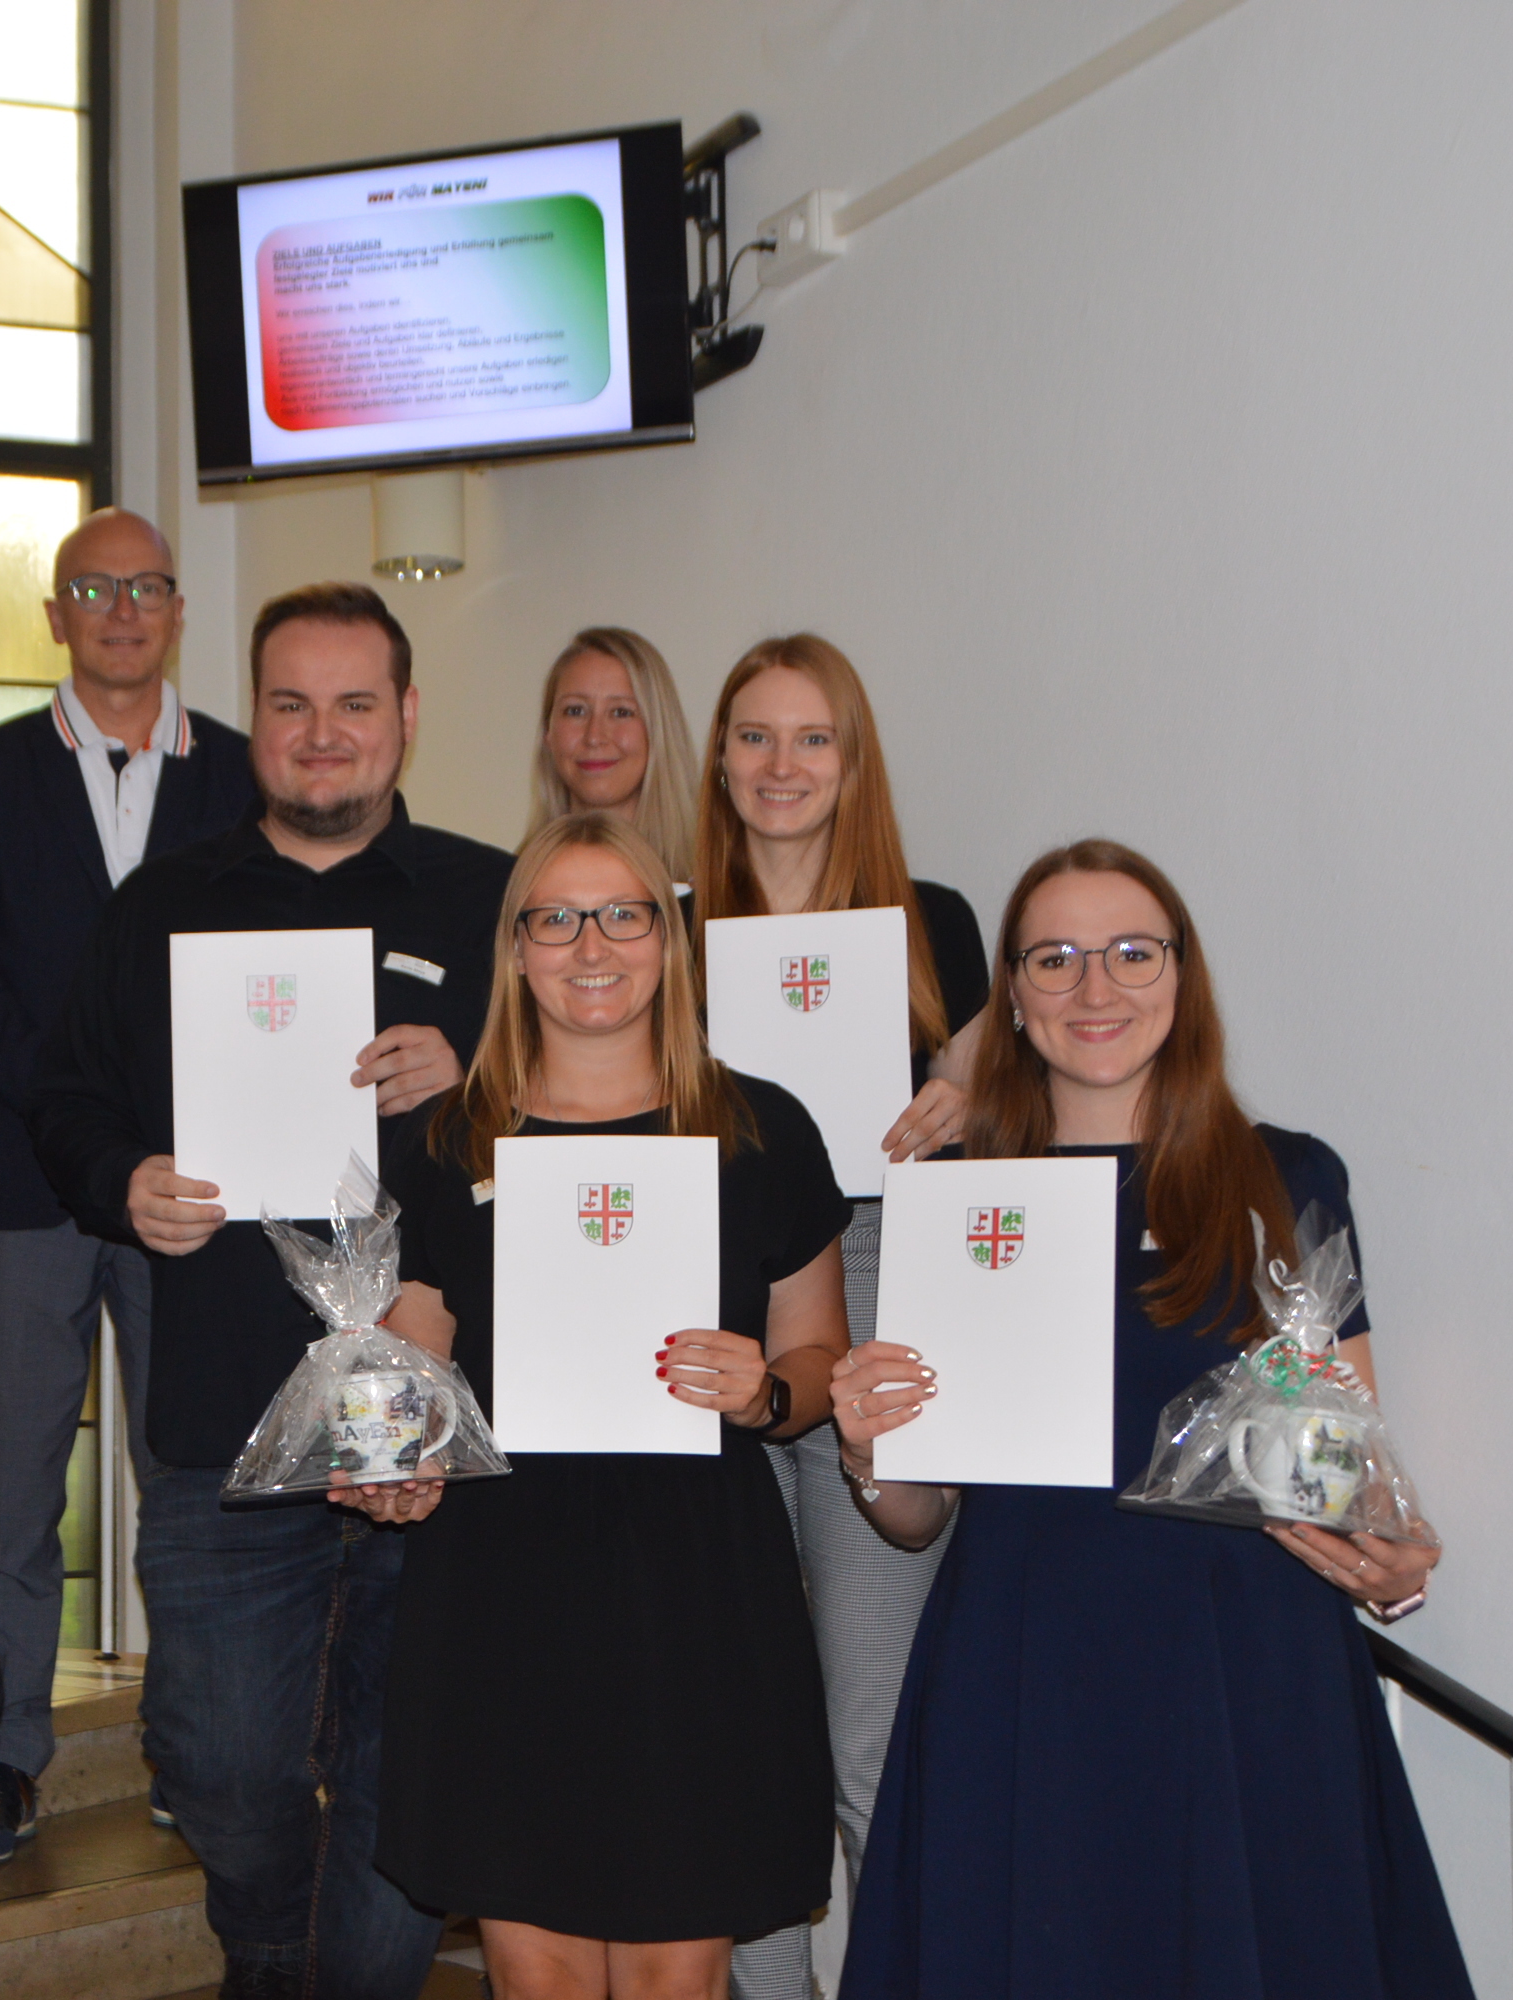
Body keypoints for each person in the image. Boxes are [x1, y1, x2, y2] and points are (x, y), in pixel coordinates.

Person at [831, 839, 1468, 1999]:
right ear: (1011, 996)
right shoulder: (960, 1194)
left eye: (1132, 951)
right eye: (1054, 957)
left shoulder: (1286, 1175)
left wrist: (1390, 1561)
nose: (1095, 986)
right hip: (1022, 1668)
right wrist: (870, 1453)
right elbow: (917, 1516)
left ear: (1180, 974)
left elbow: (1348, 1459)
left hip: (1246, 1673)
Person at [28, 582, 511, 2000]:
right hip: (223, 1418)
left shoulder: (493, 900)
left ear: (407, 715)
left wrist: (480, 1073)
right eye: (291, 704)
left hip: (437, 1421)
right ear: (255, 721)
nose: (321, 733)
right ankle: (272, 1954)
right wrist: (122, 1178)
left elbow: (600, 1108)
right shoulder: (161, 906)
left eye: (354, 703)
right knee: (216, 1760)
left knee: (403, 1773)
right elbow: (63, 1097)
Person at [350, 812, 849, 2000]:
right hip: (501, 1574)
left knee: (678, 1968)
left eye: (623, 914)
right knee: (537, 1972)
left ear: (667, 943)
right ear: (515, 949)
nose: (590, 945)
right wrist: (385, 1456)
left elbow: (818, 1353)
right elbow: (410, 1359)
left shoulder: (760, 1126)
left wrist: (766, 1389)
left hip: (695, 1576)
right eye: (556, 918)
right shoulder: (446, 1138)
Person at [0, 508, 256, 1864]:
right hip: (29, 1178)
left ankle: (190, 1746)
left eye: (146, 587)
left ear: (176, 611)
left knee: (192, 1477)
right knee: (15, 1483)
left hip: (194, 1186)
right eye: (93, 589)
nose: (121, 610)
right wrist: (63, 1100)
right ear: (56, 614)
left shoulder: (239, 771)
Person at [688, 632, 987, 2000]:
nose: (781, 764)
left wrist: (977, 1092)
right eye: (754, 735)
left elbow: (1024, 1119)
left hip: (874, 1295)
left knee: (872, 1731)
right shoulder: (662, 923)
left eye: (812, 737)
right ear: (718, 760)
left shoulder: (938, 924)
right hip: (707, 1310)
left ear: (853, 761)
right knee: (741, 1735)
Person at [527, 626, 699, 885]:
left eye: (621, 712)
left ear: (659, 731)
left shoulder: (713, 888)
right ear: (547, 732)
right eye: (575, 711)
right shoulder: (506, 885)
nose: (594, 736)